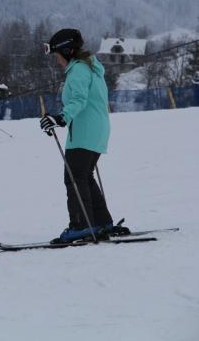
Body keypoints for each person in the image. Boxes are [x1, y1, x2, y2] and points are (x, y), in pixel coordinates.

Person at [39, 28, 119, 243]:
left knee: (74, 177)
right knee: (83, 176)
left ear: (67, 51)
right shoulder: (91, 67)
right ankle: (102, 222)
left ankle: (81, 225)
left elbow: (79, 100)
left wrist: (61, 118)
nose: (57, 61)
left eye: (57, 55)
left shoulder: (79, 70)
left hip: (84, 133)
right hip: (97, 131)